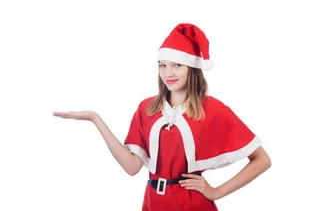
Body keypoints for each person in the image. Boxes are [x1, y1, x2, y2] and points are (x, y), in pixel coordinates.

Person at [53, 23, 271, 211]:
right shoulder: (146, 108)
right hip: (153, 202)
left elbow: (262, 160)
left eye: (177, 65)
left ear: (192, 68)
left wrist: (216, 192)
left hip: (191, 204)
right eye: (163, 65)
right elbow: (132, 168)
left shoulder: (212, 108)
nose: (168, 73)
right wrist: (95, 119)